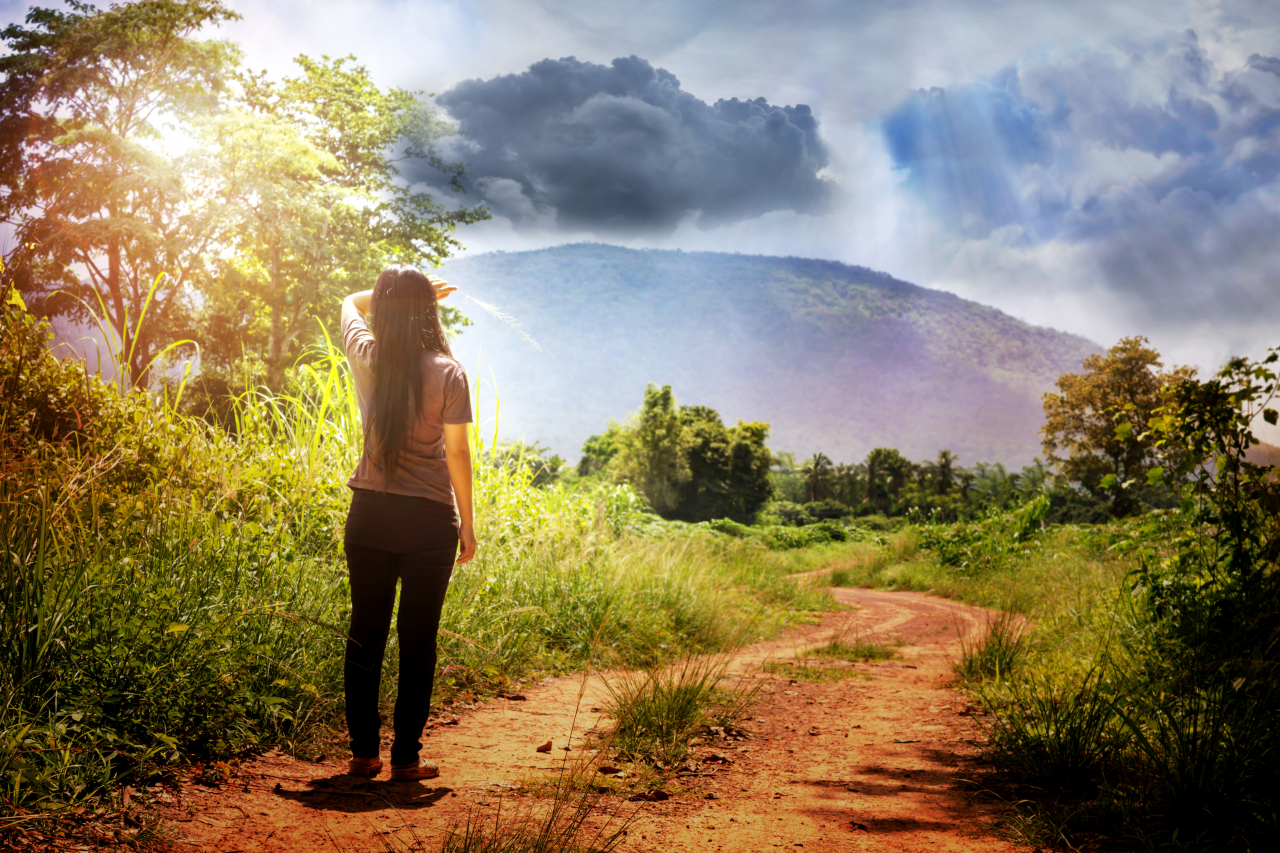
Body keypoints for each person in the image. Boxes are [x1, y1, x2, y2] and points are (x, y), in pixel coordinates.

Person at [339, 265, 477, 781]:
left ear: (383, 308)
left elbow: (348, 305)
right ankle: (406, 759)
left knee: (365, 633)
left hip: (369, 515)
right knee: (418, 638)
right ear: (429, 311)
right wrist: (467, 523)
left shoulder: (366, 354)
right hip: (428, 521)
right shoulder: (447, 371)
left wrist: (390, 295)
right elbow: (458, 452)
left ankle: (362, 754)